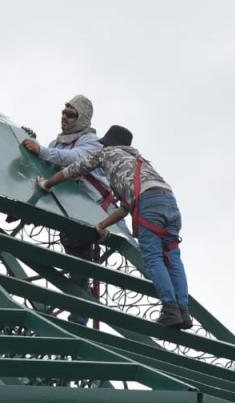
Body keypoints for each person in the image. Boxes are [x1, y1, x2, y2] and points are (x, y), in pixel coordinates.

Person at [36, 125, 192, 329]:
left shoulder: (107, 154)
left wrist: (47, 184)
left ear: (109, 143)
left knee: (153, 257)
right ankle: (184, 312)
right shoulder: (140, 162)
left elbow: (72, 169)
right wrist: (102, 225)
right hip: (169, 201)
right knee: (172, 256)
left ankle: (170, 309)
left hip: (148, 204)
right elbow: (125, 208)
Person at [22, 95, 109, 324]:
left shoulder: (92, 142)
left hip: (92, 210)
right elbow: (46, 164)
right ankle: (76, 317)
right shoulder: (58, 143)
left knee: (80, 268)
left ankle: (79, 321)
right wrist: (28, 142)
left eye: (71, 114)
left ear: (82, 118)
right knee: (76, 266)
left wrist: (40, 150)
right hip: (69, 210)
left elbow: (73, 159)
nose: (65, 117)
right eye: (64, 112)